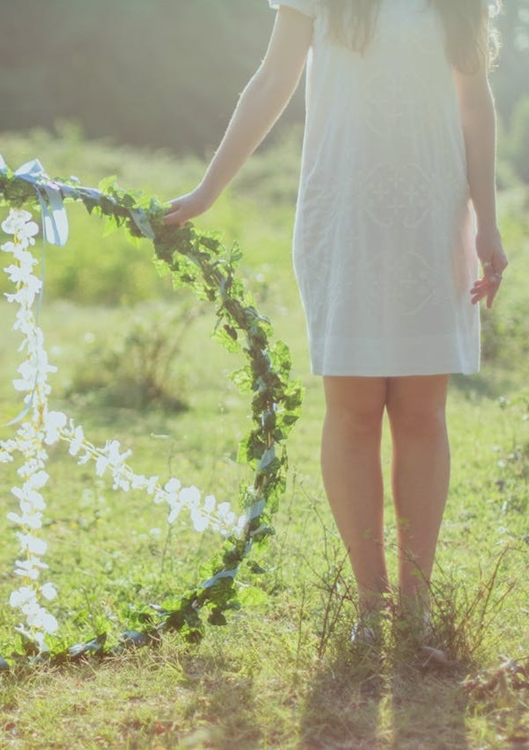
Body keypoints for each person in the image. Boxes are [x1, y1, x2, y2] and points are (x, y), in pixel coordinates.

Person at [164, 0, 507, 642]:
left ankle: (416, 603)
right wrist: (209, 190)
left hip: (432, 214)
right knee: (350, 410)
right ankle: (370, 605)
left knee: (422, 412)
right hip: (343, 211)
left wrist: (487, 220)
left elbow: (475, 102)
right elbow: (271, 80)